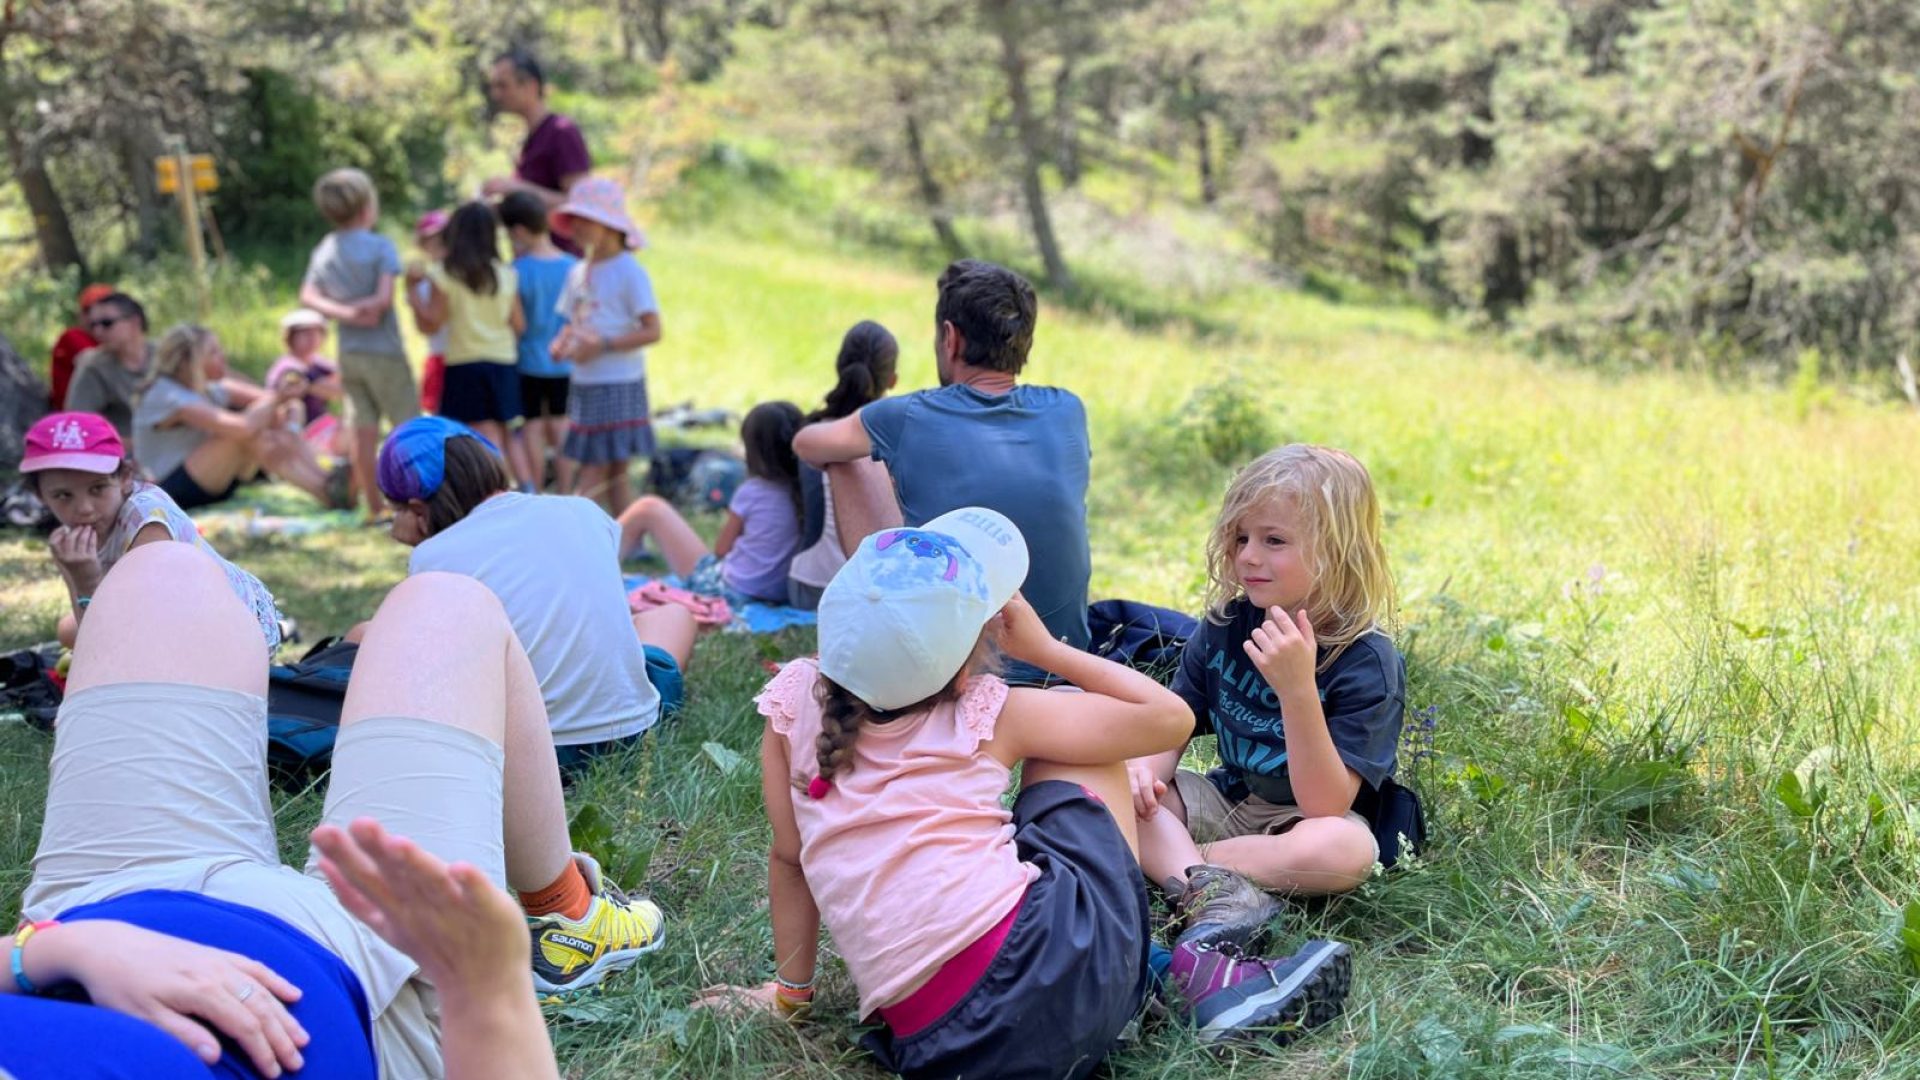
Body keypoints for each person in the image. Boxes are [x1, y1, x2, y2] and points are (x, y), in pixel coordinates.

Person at [695, 508, 1352, 1073]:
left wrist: (790, 992)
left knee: (1061, 773)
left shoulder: (791, 706)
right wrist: (1048, 651)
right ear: (968, 653)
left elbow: (791, 859)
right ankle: (1199, 962)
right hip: (1062, 981)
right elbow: (1167, 719)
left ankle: (1163, 976)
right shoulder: (992, 710)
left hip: (944, 1051)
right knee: (1078, 735)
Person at [2, 539, 651, 1077]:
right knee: (449, 606)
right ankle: (568, 914)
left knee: (158, 573)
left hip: (98, 907)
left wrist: (56, 954)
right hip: (371, 985)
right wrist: (489, 989)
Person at [1130, 446, 1405, 946]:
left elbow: (1324, 803)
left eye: (1273, 540)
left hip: (1304, 820)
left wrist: (1297, 689)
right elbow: (1173, 721)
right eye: (1240, 538)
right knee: (1115, 790)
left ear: (1336, 552)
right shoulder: (1226, 626)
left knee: (1345, 851)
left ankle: (1187, 871)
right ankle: (1217, 886)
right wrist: (1147, 775)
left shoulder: (1367, 661)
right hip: (1226, 799)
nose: (1248, 556)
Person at [792, 260, 1092, 684]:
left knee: (849, 455)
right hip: (1059, 668)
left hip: (946, 677)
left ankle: (877, 619)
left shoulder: (907, 415)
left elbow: (807, 444)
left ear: (950, 338)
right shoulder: (1068, 409)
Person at [377, 416, 695, 779]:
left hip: (524, 753)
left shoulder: (433, 557)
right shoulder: (584, 511)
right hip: (632, 735)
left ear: (417, 510)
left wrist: (420, 541)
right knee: (672, 616)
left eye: (394, 512)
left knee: (370, 636)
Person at [19, 411, 281, 652]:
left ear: (124, 478)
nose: (84, 508)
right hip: (158, 621)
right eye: (63, 495)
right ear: (40, 496)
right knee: (68, 631)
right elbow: (96, 630)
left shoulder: (148, 526)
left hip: (237, 631)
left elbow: (133, 637)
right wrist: (77, 576)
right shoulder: (72, 539)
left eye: (97, 488)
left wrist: (87, 580)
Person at [300, 166, 419, 522]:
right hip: (385, 351)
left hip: (349, 354)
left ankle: (374, 505)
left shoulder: (325, 249)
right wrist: (361, 310)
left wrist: (344, 313)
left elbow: (307, 294)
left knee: (362, 431)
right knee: (406, 425)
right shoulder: (381, 246)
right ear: (368, 207)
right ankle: (415, 502)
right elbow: (383, 299)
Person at [134, 325, 344, 512]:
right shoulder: (166, 395)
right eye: (213, 352)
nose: (223, 356)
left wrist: (288, 424)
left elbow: (285, 405)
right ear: (189, 362)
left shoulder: (211, 388)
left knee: (261, 427)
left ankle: (329, 483)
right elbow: (243, 426)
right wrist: (280, 398)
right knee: (244, 434)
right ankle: (327, 489)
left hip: (210, 481)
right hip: (169, 492)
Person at [614, 402, 803, 607]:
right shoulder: (806, 490)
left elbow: (722, 549)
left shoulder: (752, 492)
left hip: (730, 591)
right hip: (781, 592)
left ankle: (593, 565)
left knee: (648, 507)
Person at [551, 178, 658, 515]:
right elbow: (573, 322)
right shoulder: (578, 272)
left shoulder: (629, 272)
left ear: (610, 225)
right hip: (586, 382)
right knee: (605, 468)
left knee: (605, 469)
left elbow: (653, 330)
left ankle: (582, 534)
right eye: (575, 221)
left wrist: (605, 345)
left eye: (586, 220)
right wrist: (561, 344)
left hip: (620, 380)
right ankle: (624, 538)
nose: (577, 228)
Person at [786, 321, 898, 611]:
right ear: (893, 380)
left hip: (810, 585)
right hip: (876, 593)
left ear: (839, 366)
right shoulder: (898, 440)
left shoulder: (813, 437)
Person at [407, 202, 526, 463]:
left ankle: (493, 489)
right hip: (503, 361)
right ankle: (526, 486)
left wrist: (413, 293)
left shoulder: (445, 274)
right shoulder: (506, 273)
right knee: (507, 431)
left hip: (464, 361)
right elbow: (519, 324)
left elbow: (433, 323)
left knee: (480, 433)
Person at [499, 189, 578, 493]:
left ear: (518, 231)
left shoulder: (516, 271)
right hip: (565, 361)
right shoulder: (573, 266)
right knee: (561, 425)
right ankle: (567, 491)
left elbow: (515, 321)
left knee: (532, 426)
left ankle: (536, 492)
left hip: (528, 360)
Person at [481, 47, 591, 254]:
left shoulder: (562, 132)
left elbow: (580, 203)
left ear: (531, 86)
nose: (496, 94)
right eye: (494, 86)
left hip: (560, 267)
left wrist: (515, 188)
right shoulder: (528, 138)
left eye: (503, 86)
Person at [65, 291, 156, 446]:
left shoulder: (165, 356)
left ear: (135, 323)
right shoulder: (94, 367)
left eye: (107, 323)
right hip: (123, 460)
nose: (97, 332)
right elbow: (76, 427)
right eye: (93, 325)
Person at [265, 309, 345, 457]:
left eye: (316, 332)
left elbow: (343, 382)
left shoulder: (317, 363)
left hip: (318, 426)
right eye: (305, 333)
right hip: (294, 431)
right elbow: (331, 390)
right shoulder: (288, 366)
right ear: (291, 337)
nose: (312, 338)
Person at [408, 209, 452, 415]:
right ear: (423, 245)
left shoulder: (463, 275)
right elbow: (425, 328)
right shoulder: (422, 284)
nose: (440, 244)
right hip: (440, 354)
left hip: (461, 356)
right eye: (432, 240)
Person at [47, 282, 116, 411]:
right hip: (77, 415)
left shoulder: (103, 340)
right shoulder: (73, 336)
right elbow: (98, 364)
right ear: (84, 315)